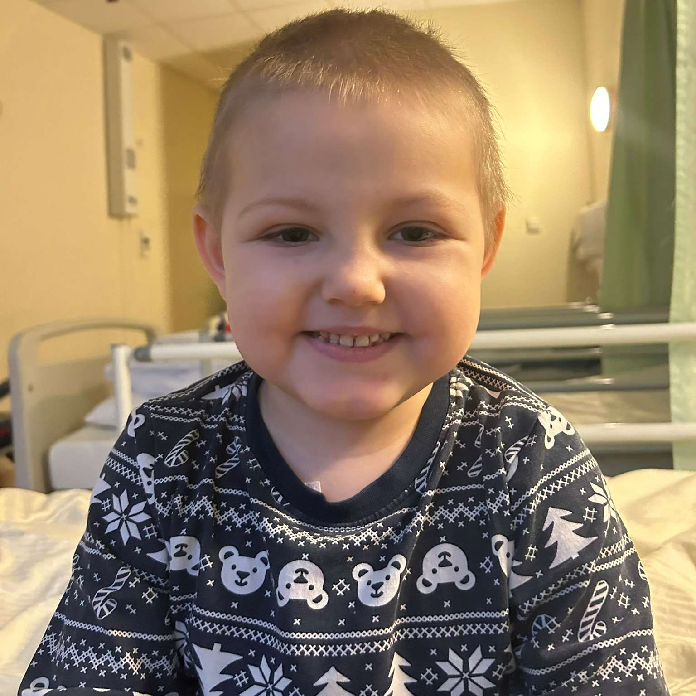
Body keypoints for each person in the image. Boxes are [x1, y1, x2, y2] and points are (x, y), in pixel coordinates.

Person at [19, 8, 669, 696]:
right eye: (293, 234)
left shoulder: (531, 461)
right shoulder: (162, 459)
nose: (357, 283)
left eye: (415, 232)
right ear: (217, 253)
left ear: (486, 245)